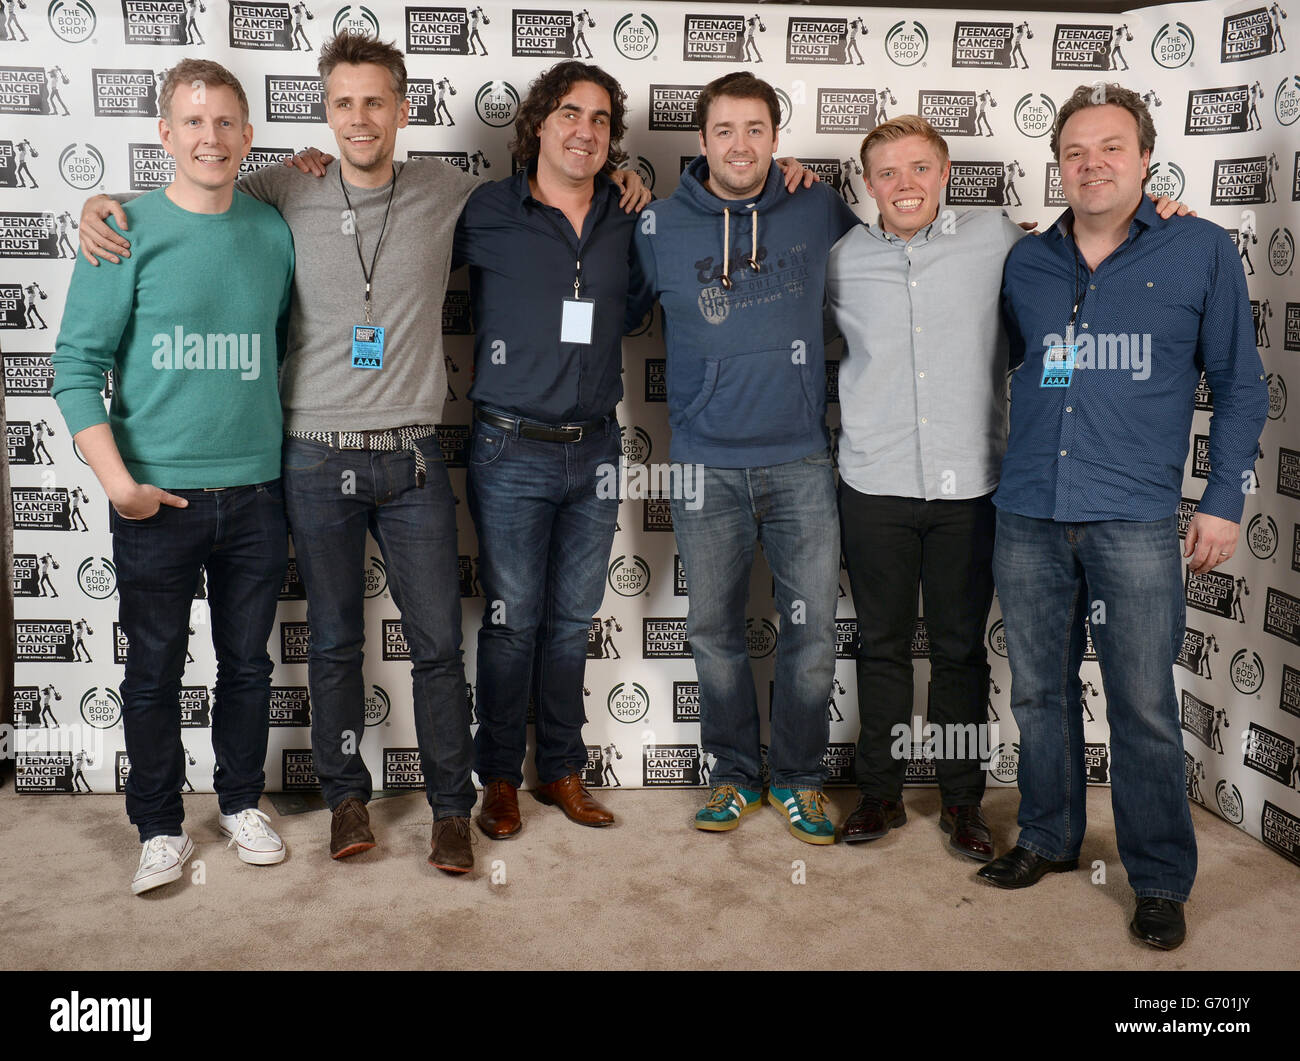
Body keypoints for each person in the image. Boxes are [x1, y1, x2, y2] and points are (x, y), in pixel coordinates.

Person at [80, 34, 650, 874]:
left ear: (402, 109)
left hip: (413, 456)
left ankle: (453, 808)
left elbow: (552, 195)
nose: (359, 117)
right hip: (313, 457)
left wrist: (625, 175)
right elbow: (193, 190)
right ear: (325, 109)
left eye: (376, 101)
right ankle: (346, 796)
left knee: (435, 646)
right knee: (335, 640)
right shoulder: (282, 186)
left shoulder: (452, 194)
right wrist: (101, 207)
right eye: (343, 102)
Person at [979, 83, 1268, 951]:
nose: (1091, 164)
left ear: (1146, 158)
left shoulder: (1201, 249)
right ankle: (1047, 836)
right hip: (1027, 507)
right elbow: (1019, 368)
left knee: (1142, 701)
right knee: (1038, 689)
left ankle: (1158, 878)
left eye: (1111, 147)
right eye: (1075, 151)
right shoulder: (1026, 260)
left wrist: (1222, 499)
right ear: (1057, 163)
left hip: (1136, 518)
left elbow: (1242, 387)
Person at [53, 59, 294, 895]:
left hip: (259, 492)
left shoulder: (273, 231)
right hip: (154, 496)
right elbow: (76, 366)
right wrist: (120, 484)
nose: (210, 137)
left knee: (247, 666)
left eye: (226, 122)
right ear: (164, 133)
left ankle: (239, 801)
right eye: (192, 122)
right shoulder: (122, 226)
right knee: (153, 671)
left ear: (247, 134)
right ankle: (158, 824)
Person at [634, 72, 858, 845]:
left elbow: (894, 264)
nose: (740, 145)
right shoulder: (659, 225)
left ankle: (797, 779)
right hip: (703, 462)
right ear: (701, 143)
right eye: (724, 130)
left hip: (800, 459)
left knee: (814, 632)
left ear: (775, 137)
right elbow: (613, 304)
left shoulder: (816, 205)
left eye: (756, 129)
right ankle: (733, 774)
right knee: (712, 629)